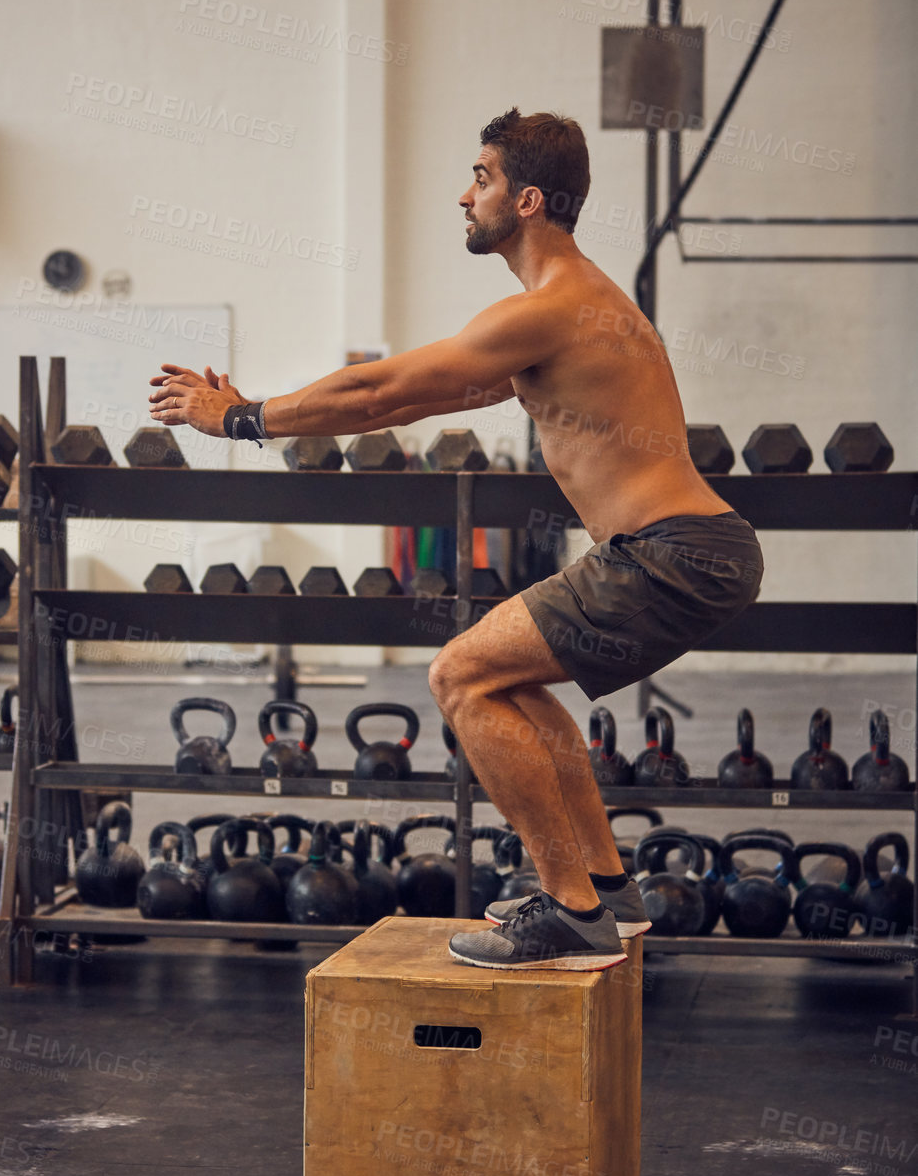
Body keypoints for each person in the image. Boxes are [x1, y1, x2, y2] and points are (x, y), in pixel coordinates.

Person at [149, 108, 763, 971]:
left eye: (481, 177)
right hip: (680, 550)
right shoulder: (559, 314)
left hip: (671, 551)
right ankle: (605, 892)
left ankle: (569, 909)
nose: (463, 195)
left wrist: (244, 419)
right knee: (506, 680)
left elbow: (377, 388)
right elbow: (407, 402)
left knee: (459, 675)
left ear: (529, 200)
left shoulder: (554, 307)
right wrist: (264, 405)